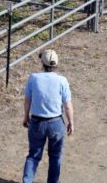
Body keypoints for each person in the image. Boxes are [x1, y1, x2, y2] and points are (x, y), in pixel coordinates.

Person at [22, 49, 74, 183]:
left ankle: (27, 181)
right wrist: (71, 122)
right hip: (56, 123)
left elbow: (28, 100)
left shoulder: (33, 78)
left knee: (33, 155)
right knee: (55, 156)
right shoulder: (62, 80)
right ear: (56, 64)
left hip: (37, 122)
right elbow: (67, 105)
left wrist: (26, 116)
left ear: (42, 63)